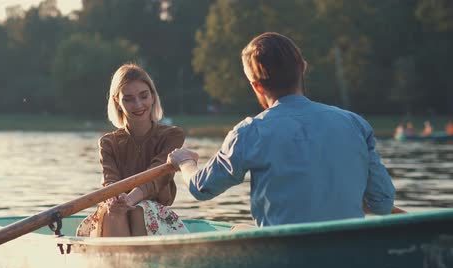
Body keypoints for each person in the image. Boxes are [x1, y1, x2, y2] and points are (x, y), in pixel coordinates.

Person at [168, 32, 396, 228]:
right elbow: (383, 204)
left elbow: (201, 188)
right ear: (303, 68)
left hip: (284, 257)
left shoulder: (249, 132)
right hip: (348, 256)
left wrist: (184, 161)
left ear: (256, 86)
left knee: (238, 229)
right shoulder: (355, 124)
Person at [76, 63, 189, 237]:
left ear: (152, 96)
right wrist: (117, 199)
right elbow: (110, 181)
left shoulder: (173, 135)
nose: (138, 105)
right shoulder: (108, 142)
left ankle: (141, 261)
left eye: (143, 96)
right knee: (111, 211)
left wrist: (130, 199)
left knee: (139, 210)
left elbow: (157, 176)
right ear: (117, 102)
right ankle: (119, 263)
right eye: (128, 99)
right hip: (118, 208)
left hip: (151, 212)